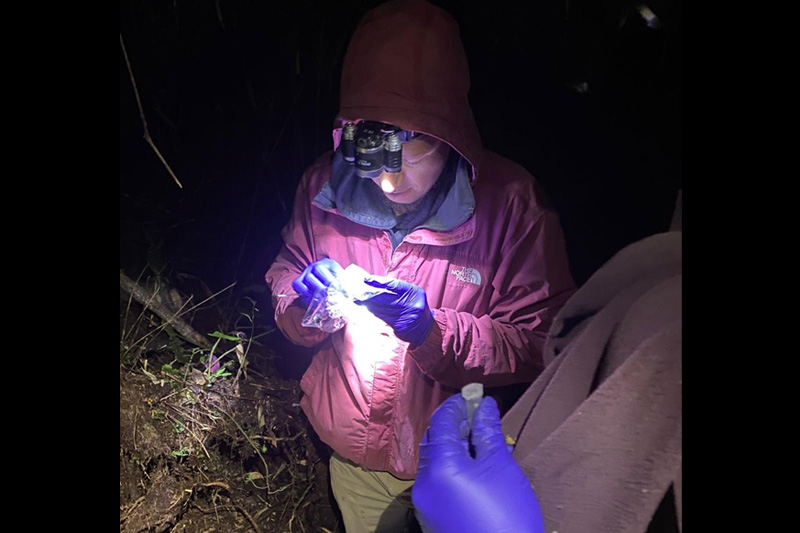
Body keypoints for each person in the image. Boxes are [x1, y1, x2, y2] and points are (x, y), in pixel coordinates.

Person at [264, 1, 576, 530]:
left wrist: (434, 330)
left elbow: (543, 340)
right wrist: (306, 303)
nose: (386, 181)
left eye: (408, 153)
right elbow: (284, 282)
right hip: (355, 462)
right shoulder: (324, 188)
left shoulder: (512, 206)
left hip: (458, 466)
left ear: (449, 136)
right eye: (372, 152)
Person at [412, 230, 682, 533]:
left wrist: (432, 332)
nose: (388, 183)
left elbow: (532, 342)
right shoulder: (651, 279)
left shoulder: (513, 212)